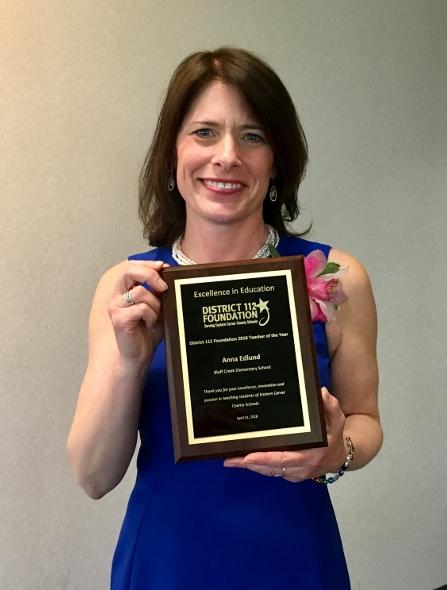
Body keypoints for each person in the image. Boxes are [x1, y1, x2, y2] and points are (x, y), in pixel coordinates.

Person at [66, 47, 382, 589]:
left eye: (253, 136)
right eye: (204, 133)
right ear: (172, 154)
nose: (227, 156)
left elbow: (366, 422)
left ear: (277, 160)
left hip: (296, 560)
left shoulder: (336, 277)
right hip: (166, 564)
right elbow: (93, 476)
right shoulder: (129, 288)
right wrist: (131, 362)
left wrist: (338, 452)